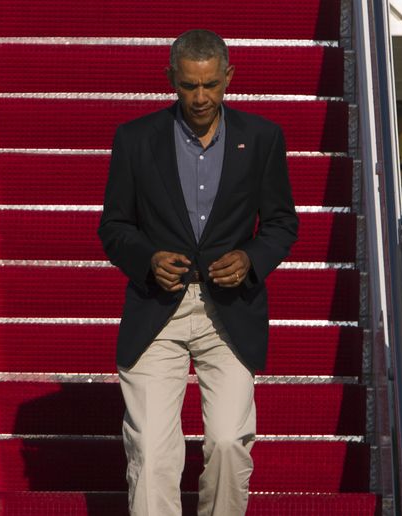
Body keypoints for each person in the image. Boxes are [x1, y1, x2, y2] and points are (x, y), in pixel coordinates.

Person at [98, 29, 298, 516]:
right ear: (172, 79)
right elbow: (114, 225)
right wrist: (147, 259)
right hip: (156, 311)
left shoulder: (263, 137)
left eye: (210, 85)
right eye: (189, 86)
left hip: (230, 312)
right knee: (150, 451)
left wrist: (251, 259)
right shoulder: (135, 139)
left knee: (229, 442)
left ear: (229, 77)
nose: (201, 97)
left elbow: (281, 223)